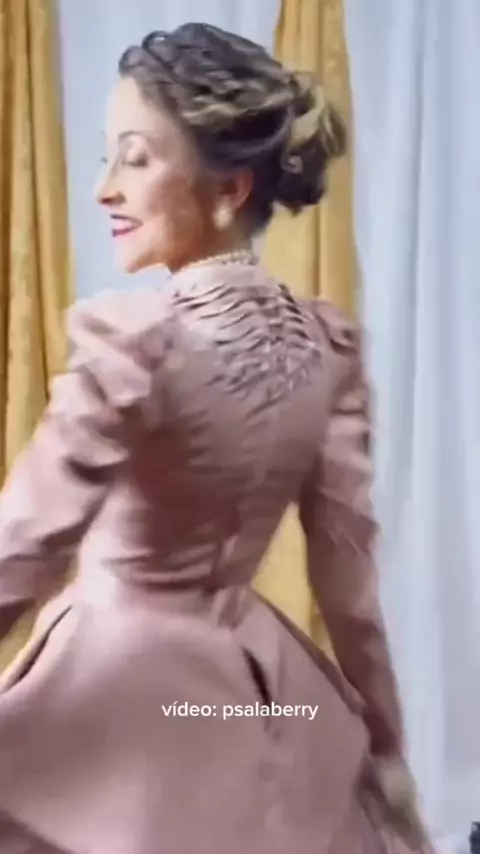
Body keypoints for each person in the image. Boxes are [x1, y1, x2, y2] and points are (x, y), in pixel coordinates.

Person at [0, 22, 433, 854]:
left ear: (230, 189)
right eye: (107, 158)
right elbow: (348, 589)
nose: (103, 190)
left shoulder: (133, 344)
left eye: (134, 159)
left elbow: (23, 547)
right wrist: (385, 748)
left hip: (117, 698)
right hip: (255, 687)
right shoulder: (327, 349)